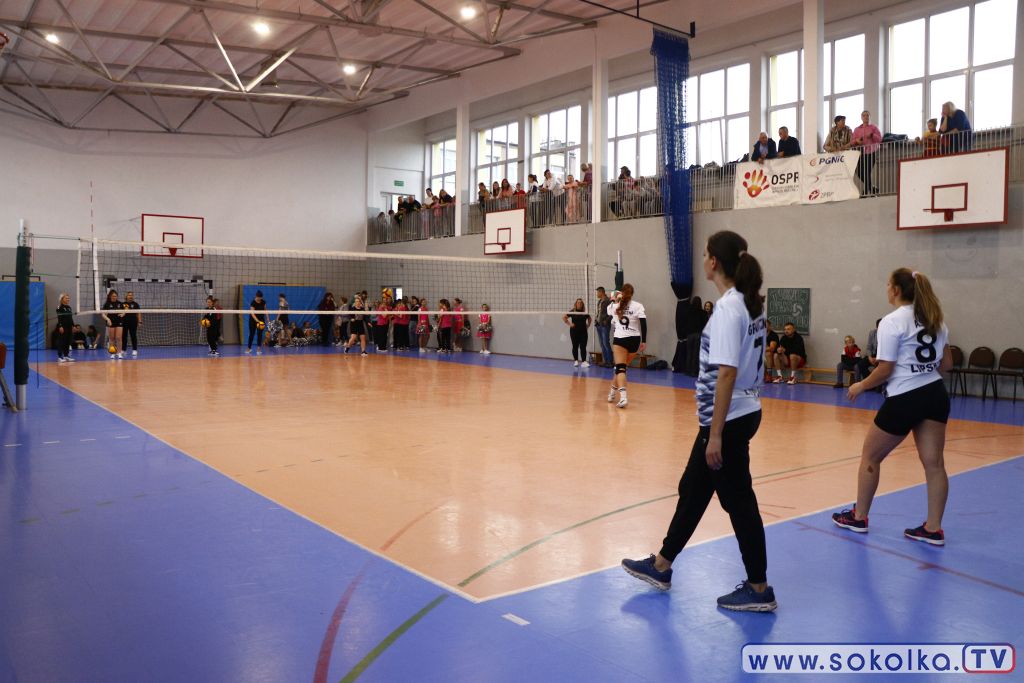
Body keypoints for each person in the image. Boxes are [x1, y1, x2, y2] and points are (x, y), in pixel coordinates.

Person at [622, 230, 776, 611]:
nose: (703, 259)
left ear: (714, 262)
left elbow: (726, 373)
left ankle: (759, 588)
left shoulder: (729, 309)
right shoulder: (751, 303)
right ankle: (662, 565)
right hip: (741, 411)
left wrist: (716, 434)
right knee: (693, 489)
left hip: (728, 420)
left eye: (706, 253)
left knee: (739, 503)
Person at [832, 268, 952, 546]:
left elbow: (885, 369)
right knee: (935, 464)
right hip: (935, 393)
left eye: (888, 284)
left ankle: (859, 517)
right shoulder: (936, 319)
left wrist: (860, 385)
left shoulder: (891, 321)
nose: (886, 289)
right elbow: (947, 364)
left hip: (905, 397)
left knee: (870, 456)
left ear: (896, 290)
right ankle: (933, 529)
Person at [606, 284, 646, 408]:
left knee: (620, 369)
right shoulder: (638, 306)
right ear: (632, 293)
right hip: (635, 340)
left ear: (621, 293)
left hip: (620, 340)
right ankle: (612, 393)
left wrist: (614, 300)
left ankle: (623, 398)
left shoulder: (614, 306)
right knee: (621, 369)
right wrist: (644, 341)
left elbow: (608, 311)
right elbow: (643, 324)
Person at [851, 111, 882, 195]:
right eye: (864, 115)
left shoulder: (874, 127)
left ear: (869, 117)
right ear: (861, 117)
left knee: (867, 172)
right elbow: (852, 142)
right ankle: (872, 189)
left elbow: (880, 139)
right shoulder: (857, 129)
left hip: (871, 152)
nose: (866, 117)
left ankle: (865, 192)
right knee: (858, 171)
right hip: (860, 153)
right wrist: (857, 141)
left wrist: (872, 135)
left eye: (867, 115)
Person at [563, 298, 591, 368]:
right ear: (576, 304)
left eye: (581, 303)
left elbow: (589, 319)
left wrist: (588, 325)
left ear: (582, 304)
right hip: (574, 332)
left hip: (583, 332)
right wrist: (570, 324)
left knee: (583, 346)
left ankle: (584, 361)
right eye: (578, 303)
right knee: (575, 346)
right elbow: (564, 317)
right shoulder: (572, 311)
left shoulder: (585, 312)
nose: (579, 304)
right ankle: (576, 361)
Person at [101, 289, 125, 359]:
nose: (114, 297)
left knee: (119, 337)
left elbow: (124, 311)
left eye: (115, 296)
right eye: (113, 296)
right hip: (111, 322)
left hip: (119, 321)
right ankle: (113, 353)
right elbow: (103, 314)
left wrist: (122, 314)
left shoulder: (120, 303)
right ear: (110, 296)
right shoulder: (107, 304)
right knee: (112, 338)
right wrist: (108, 319)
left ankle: (119, 353)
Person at [594, 287, 614, 368]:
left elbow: (612, 313)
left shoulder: (608, 301)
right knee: (602, 344)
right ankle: (605, 361)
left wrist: (606, 320)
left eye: (597, 292)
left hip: (605, 325)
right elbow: (599, 312)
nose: (597, 294)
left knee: (606, 343)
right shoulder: (599, 301)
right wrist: (596, 320)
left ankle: (610, 362)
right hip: (599, 324)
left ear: (601, 292)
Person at [55, 292, 75, 363]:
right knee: (61, 341)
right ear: (62, 299)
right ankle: (60, 356)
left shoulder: (69, 307)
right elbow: (59, 318)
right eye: (66, 298)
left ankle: (66, 355)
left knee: (68, 341)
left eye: (68, 298)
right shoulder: (59, 307)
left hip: (69, 327)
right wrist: (60, 326)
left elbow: (70, 318)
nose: (68, 299)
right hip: (63, 327)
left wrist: (73, 326)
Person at [246, 290, 268, 355]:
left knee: (259, 334)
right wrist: (257, 321)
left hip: (261, 320)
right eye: (258, 297)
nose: (259, 298)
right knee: (251, 334)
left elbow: (265, 310)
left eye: (261, 297)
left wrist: (268, 319)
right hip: (253, 320)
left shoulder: (263, 302)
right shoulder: (253, 303)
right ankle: (249, 348)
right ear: (256, 296)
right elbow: (252, 313)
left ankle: (258, 349)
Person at [122, 291, 142, 356]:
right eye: (129, 295)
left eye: (131, 295)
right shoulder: (123, 304)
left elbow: (138, 313)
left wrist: (140, 321)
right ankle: (123, 350)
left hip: (133, 322)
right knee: (124, 336)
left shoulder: (135, 304)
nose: (130, 296)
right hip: (124, 322)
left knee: (133, 336)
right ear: (126, 296)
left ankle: (134, 350)